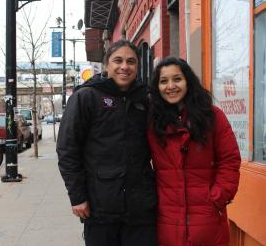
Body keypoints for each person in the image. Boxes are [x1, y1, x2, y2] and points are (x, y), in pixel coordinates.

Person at [57, 40, 157, 246]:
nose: (124, 66)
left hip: (140, 209)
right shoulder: (86, 97)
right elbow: (68, 150)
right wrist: (77, 197)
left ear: (137, 66)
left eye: (131, 61)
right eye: (117, 60)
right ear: (106, 65)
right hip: (100, 206)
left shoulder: (145, 99)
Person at [147, 56, 241, 246]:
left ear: (188, 81)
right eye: (163, 81)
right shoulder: (152, 121)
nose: (170, 86)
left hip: (207, 217)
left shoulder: (212, 116)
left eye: (177, 79)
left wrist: (217, 197)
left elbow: (229, 160)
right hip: (167, 220)